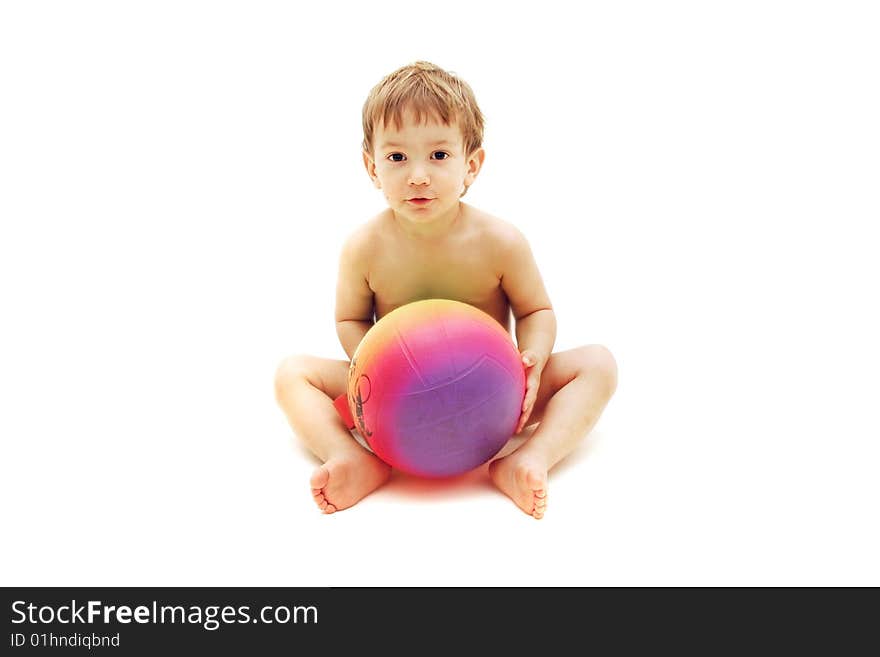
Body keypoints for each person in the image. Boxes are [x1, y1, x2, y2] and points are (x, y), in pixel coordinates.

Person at [274, 61, 617, 519]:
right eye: (397, 157)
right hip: (393, 400)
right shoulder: (364, 247)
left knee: (597, 363)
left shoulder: (500, 241)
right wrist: (369, 367)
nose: (418, 175)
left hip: (496, 397)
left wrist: (530, 364)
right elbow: (350, 319)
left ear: (470, 165)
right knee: (292, 374)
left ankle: (528, 458)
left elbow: (536, 310)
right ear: (371, 166)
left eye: (438, 156)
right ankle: (354, 456)